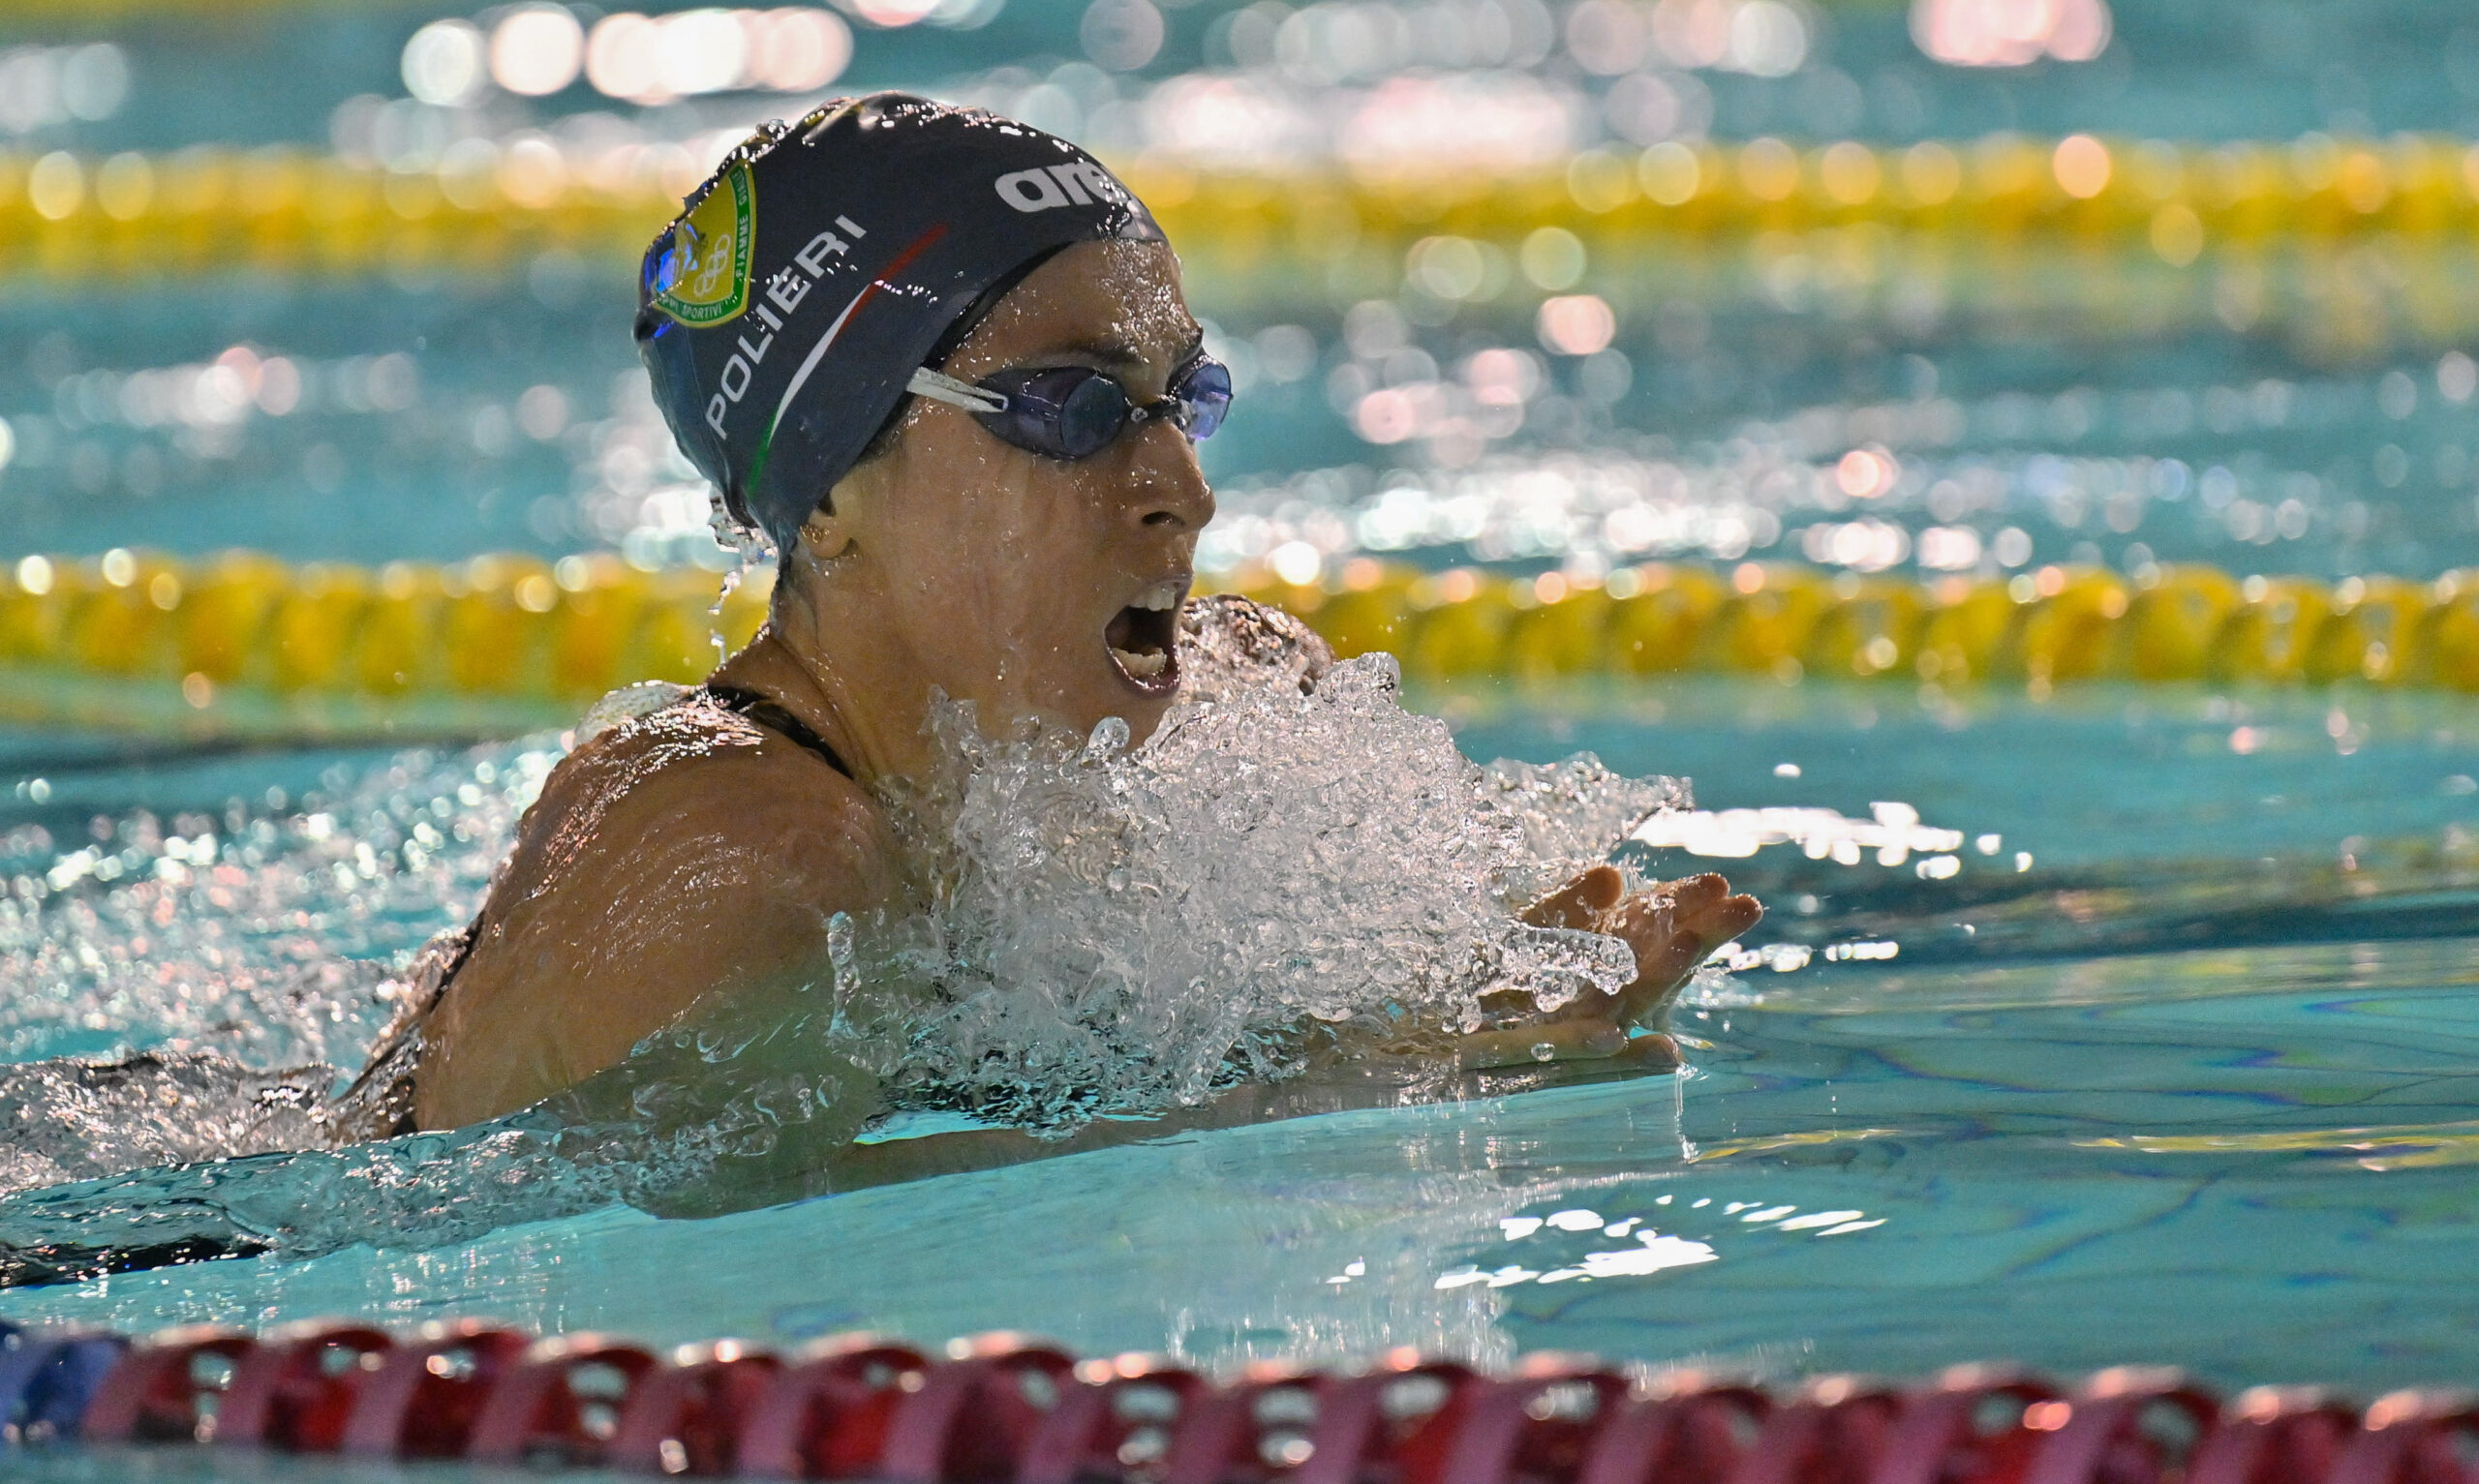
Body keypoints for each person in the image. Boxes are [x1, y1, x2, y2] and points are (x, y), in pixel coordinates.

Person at [333, 94, 1760, 1148]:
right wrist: (1401, 1071)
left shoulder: (1214, 716)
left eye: (1182, 401)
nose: (1182, 495)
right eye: (1071, 408)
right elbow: (771, 1289)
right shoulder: (742, 874)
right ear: (830, 491)